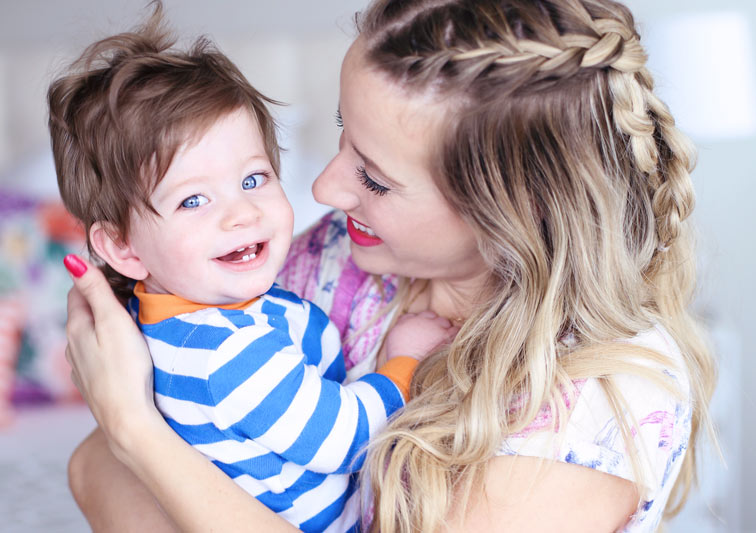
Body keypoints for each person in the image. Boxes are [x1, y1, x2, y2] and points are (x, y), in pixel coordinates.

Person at [62, 0, 717, 531]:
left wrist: (134, 430)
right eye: (344, 136)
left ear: (506, 215)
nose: (322, 187)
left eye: (373, 178)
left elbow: (120, 459)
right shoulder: (333, 255)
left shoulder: (593, 403)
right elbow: (91, 467)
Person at [49, 7, 457, 532]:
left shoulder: (183, 315)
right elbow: (343, 440)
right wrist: (403, 361)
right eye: (194, 200)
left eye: (252, 179)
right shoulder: (224, 352)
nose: (241, 213)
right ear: (124, 248)